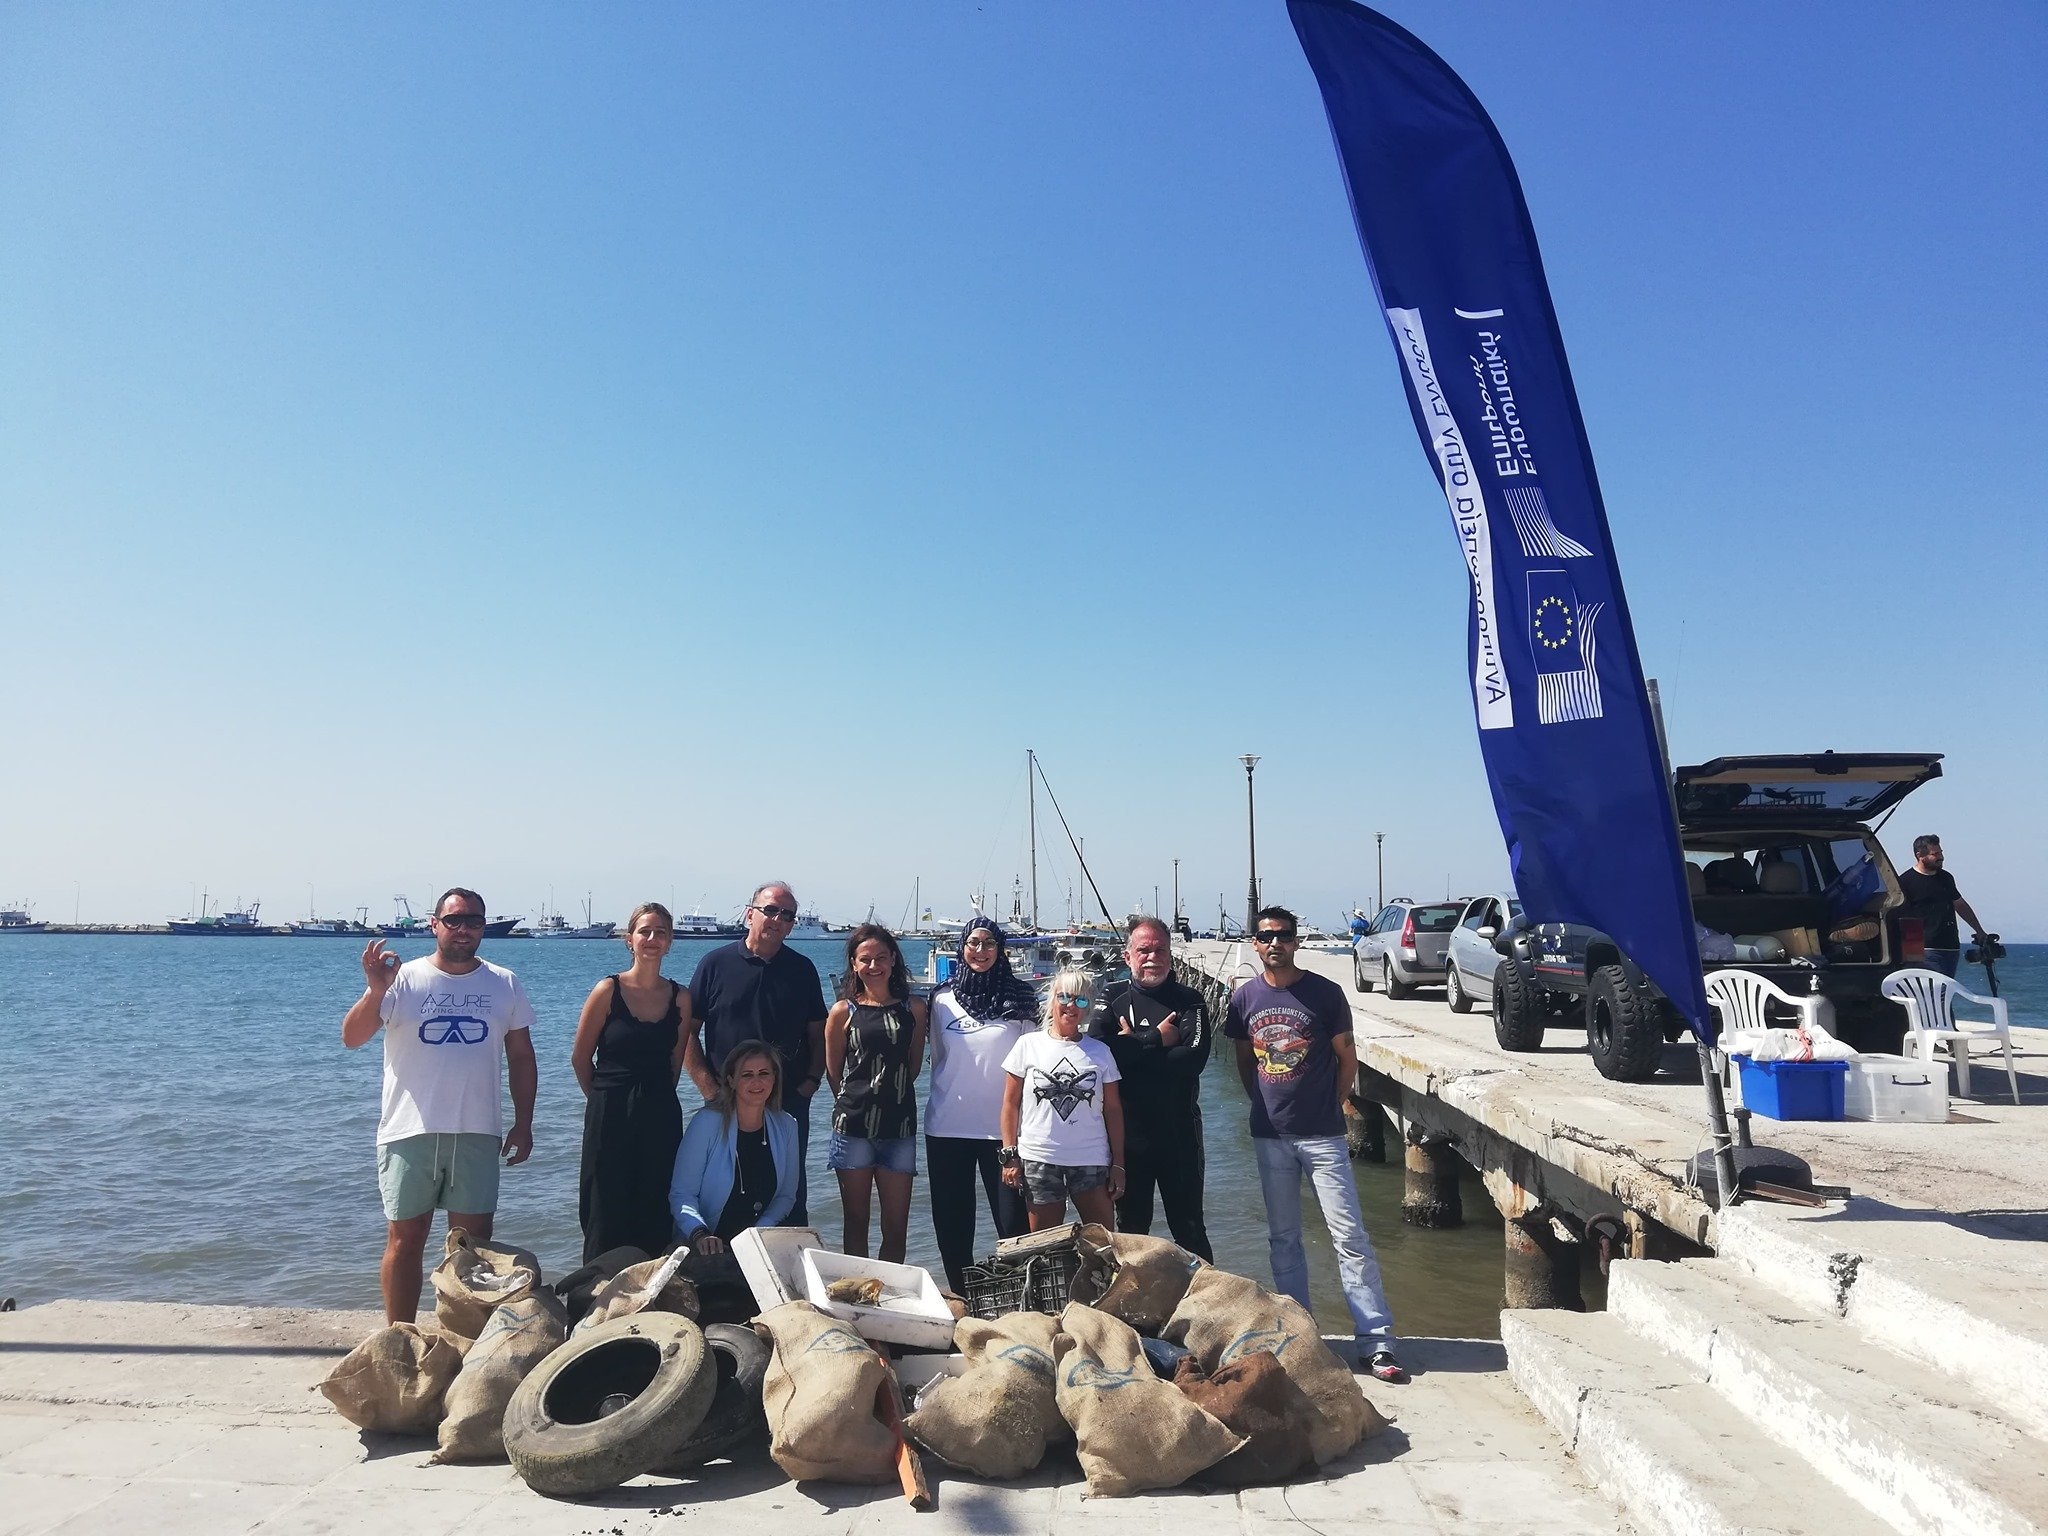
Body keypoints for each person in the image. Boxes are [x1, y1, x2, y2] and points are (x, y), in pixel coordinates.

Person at [341, 888, 537, 1324]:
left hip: (477, 1130)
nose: (463, 928)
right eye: (454, 920)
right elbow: (352, 1038)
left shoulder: (504, 983)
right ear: (435, 924)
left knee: (473, 1248)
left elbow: (522, 1057)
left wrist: (524, 1124)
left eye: (473, 921)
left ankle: (461, 1338)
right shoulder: (403, 979)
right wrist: (376, 991)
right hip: (409, 1131)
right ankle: (401, 1336)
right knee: (404, 1241)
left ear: (484, 927)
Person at [1226, 905, 1405, 1384]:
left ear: (1296, 940)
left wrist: (1336, 1102)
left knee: (1350, 1237)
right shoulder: (1244, 999)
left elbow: (1347, 1058)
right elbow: (1246, 1059)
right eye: (1266, 937)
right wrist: (1262, 1104)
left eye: (1283, 935)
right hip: (1271, 1137)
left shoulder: (1326, 994)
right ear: (1255, 943)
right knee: (1283, 1239)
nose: (1275, 943)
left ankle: (1377, 1340)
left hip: (1323, 1135)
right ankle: (1300, 1335)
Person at [683, 882, 828, 1224]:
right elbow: (687, 1033)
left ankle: (788, 1268)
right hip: (725, 1100)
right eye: (771, 910)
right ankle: (718, 1261)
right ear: (750, 914)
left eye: (787, 914)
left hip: (787, 1102)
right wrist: (709, 1088)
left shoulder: (802, 969)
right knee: (721, 1188)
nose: (778, 919)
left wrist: (810, 1082)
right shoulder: (714, 964)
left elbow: (819, 1035)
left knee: (788, 1194)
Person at [570, 902, 692, 1263]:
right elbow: (580, 1059)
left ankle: (653, 1293)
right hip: (608, 1113)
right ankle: (595, 1295)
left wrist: (650, 1102)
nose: (652, 939)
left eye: (661, 933)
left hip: (660, 1113)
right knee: (604, 1206)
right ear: (629, 939)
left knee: (655, 1201)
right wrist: (605, 1099)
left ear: (670, 942)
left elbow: (675, 1064)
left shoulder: (681, 998)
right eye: (645, 931)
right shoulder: (607, 990)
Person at [1090, 917, 1214, 1259]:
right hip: (1127, 1142)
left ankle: (1206, 1306)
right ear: (1128, 956)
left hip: (1180, 1137)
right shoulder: (1112, 996)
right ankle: (1131, 1309)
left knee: (1190, 1230)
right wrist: (1155, 1038)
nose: (1152, 957)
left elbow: (1192, 1061)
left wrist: (1130, 1048)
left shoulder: (1190, 1000)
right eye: (1143, 950)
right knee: (1131, 1232)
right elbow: (1098, 1054)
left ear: (1170, 955)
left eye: (1160, 949)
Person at [925, 918, 1035, 1290]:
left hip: (1003, 1132)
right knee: (953, 1223)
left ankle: (1018, 1297)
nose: (981, 950)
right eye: (973, 942)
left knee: (1013, 1224)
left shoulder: (1021, 998)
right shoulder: (940, 998)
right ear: (962, 947)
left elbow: (1032, 1065)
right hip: (946, 1127)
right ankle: (963, 1297)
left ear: (999, 949)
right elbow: (937, 1057)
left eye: (990, 943)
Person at [824, 924, 927, 1264]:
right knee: (856, 1222)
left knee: (895, 1227)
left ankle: (889, 1293)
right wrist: (858, 1099)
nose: (873, 966)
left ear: (894, 959)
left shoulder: (913, 1009)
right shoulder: (843, 1011)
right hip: (852, 1128)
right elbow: (834, 1071)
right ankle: (857, 1297)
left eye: (881, 957)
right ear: (854, 964)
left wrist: (889, 1093)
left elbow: (912, 1067)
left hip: (899, 1128)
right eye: (865, 959)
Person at [1000, 968, 1124, 1231]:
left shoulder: (1100, 1052)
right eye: (1064, 997)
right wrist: (1009, 1155)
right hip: (1039, 1158)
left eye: (1081, 1000)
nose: (1071, 1006)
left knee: (1103, 1246)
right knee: (1046, 1249)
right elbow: (1010, 1104)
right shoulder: (1027, 1044)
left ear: (1088, 1007)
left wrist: (1119, 1164)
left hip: (1091, 1159)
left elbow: (1113, 1111)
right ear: (1052, 1000)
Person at [669, 1040, 801, 1252]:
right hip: (704, 1243)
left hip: (755, 1245)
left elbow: (786, 1196)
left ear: (774, 1078)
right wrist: (700, 1233)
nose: (757, 1082)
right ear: (730, 1080)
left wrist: (757, 1233)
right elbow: (681, 1194)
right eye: (747, 1075)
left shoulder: (787, 1126)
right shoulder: (706, 1123)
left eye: (764, 1073)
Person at [1897, 835, 1988, 979]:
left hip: (1950, 946)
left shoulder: (1946, 878)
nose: (1941, 857)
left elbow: (1960, 905)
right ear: (1920, 856)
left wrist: (1979, 930)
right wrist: (1911, 952)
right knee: (1933, 993)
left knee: (1945, 994)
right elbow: (1898, 916)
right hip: (1923, 949)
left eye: (1941, 852)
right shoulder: (1905, 881)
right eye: (1935, 854)